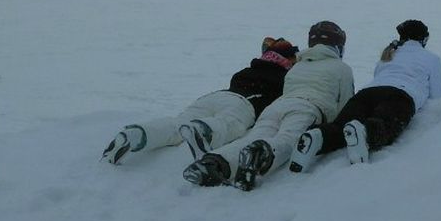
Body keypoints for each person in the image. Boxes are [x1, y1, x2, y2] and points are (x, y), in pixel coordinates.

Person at [184, 20, 354, 190]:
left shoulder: (297, 67)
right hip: (308, 108)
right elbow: (346, 107)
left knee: (252, 137)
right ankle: (261, 156)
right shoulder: (341, 68)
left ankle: (215, 163)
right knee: (287, 139)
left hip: (276, 107)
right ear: (338, 47)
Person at [101, 36, 298, 164]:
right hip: (243, 103)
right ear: (287, 63)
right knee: (229, 124)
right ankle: (205, 132)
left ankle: (138, 134)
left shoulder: (245, 72)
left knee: (178, 123)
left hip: (214, 97)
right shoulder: (283, 79)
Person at [289, 19, 441, 171]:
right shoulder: (431, 59)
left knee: (339, 127)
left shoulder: (389, 55)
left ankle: (318, 136)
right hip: (400, 95)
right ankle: (364, 133)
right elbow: (439, 95)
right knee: (385, 125)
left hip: (367, 94)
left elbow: (379, 74)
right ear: (423, 39)